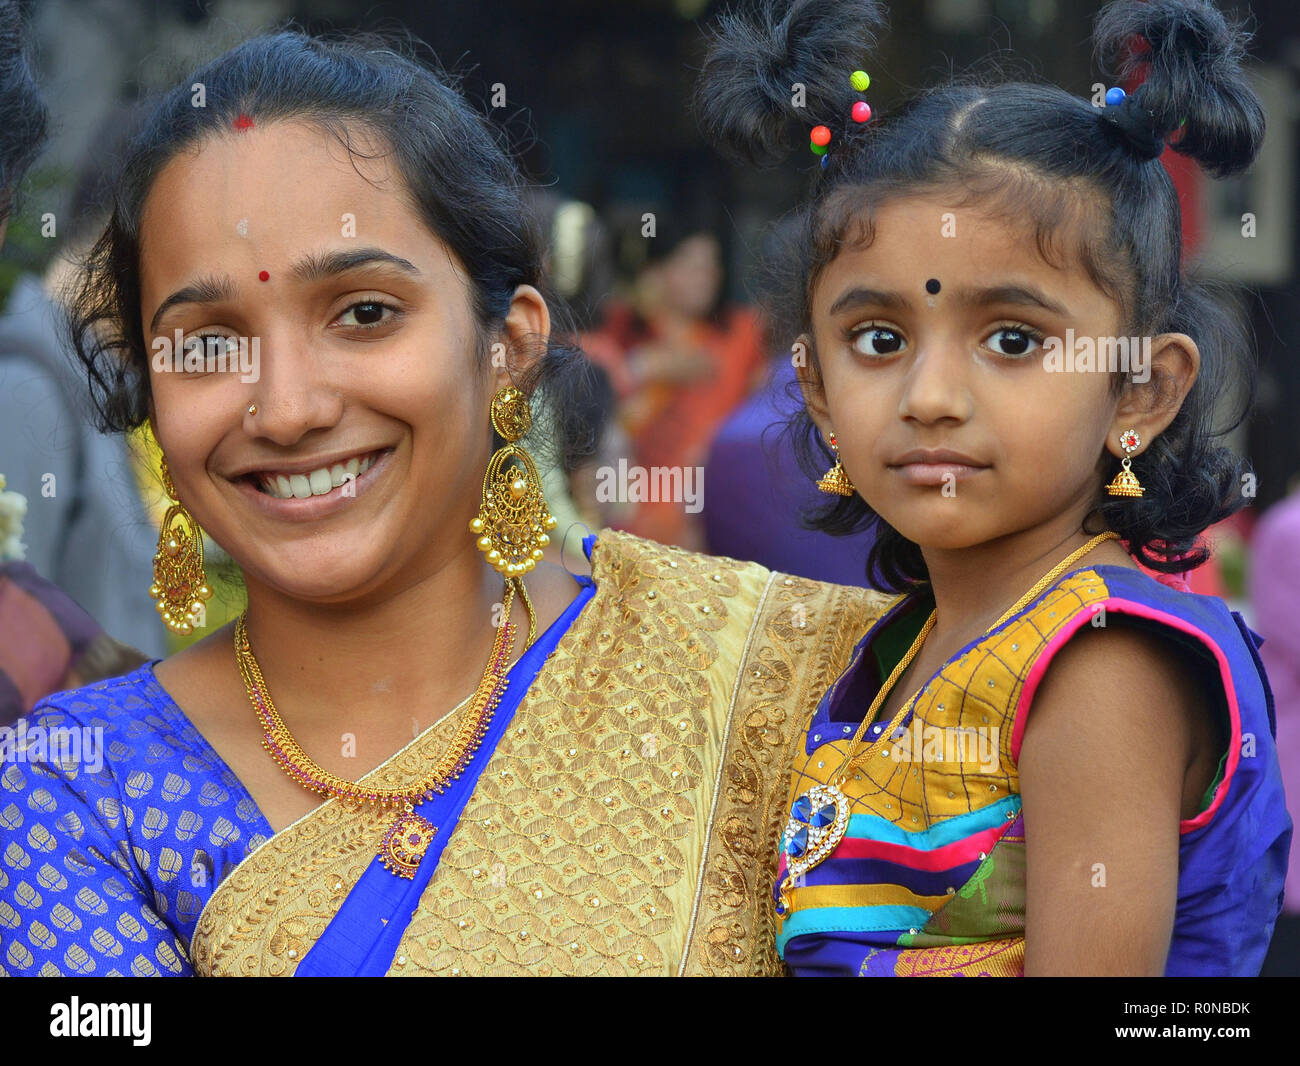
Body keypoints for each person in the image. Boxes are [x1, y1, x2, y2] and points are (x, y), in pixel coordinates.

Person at [0, 28, 893, 976]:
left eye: (364, 314)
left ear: (509, 343)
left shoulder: (788, 673)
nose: (290, 407)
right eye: (208, 342)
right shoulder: (77, 790)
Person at [696, 0, 1290, 975]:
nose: (929, 398)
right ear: (817, 388)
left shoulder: (1100, 665)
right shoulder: (896, 650)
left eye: (1012, 340)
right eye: (877, 340)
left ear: (1139, 388)